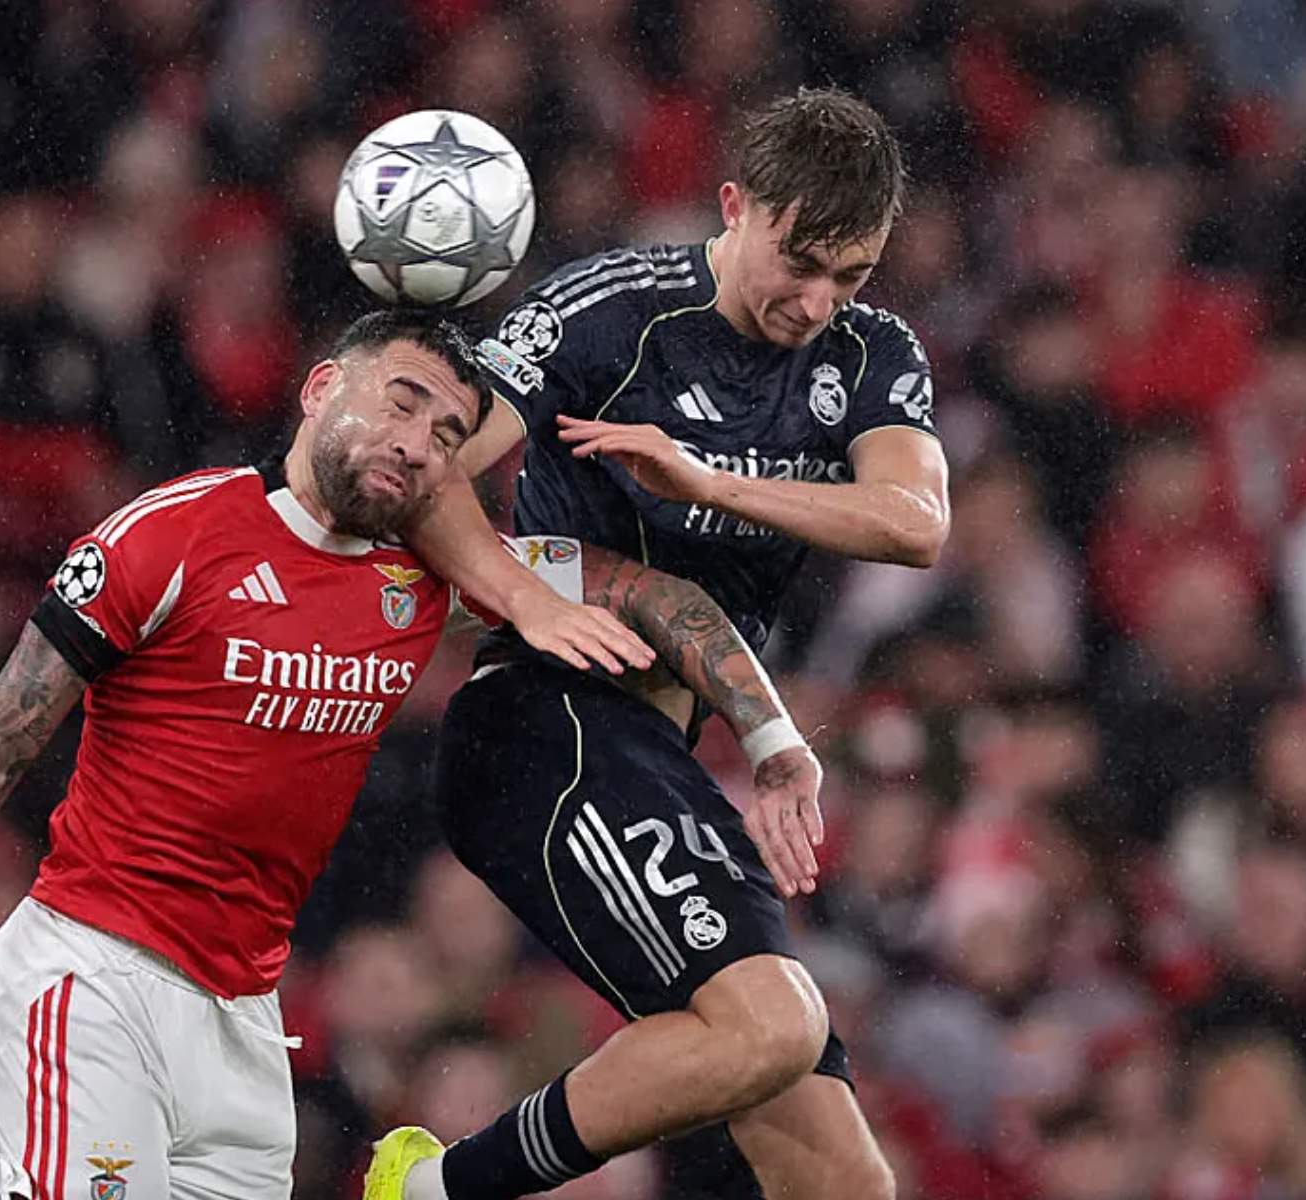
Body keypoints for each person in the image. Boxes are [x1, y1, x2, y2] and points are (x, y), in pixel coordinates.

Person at [0, 310, 802, 1200]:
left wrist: (770, 740)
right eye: (400, 403)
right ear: (321, 389)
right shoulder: (173, 534)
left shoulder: (431, 573)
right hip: (89, 978)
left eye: (447, 432)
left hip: (240, 1022)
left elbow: (661, 601)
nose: (417, 443)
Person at [370, 87, 949, 1200]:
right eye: (800, 261)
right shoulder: (608, 312)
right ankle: (435, 1192)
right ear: (734, 205)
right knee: (775, 1023)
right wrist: (520, 586)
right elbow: (438, 470)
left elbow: (913, 523)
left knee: (844, 1184)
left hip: (662, 759)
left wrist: (703, 478)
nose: (817, 302)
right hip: (545, 729)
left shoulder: (871, 355)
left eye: (852, 275)